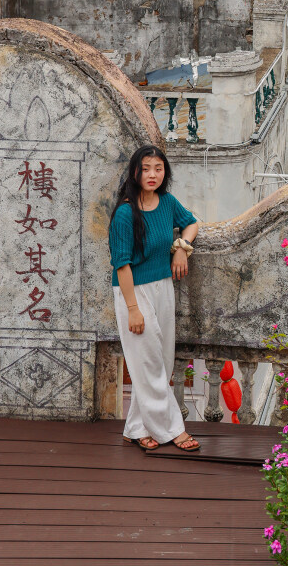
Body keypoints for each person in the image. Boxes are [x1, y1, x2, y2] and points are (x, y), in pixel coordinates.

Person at [109, 145, 200, 453]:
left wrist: (181, 247)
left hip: (163, 287)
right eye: (146, 168)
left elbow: (192, 223)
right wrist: (133, 310)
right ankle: (171, 429)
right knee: (148, 364)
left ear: (165, 172)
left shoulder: (167, 202)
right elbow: (121, 264)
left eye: (158, 169)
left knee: (159, 361)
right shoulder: (125, 213)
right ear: (135, 172)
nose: (152, 174)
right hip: (133, 291)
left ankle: (135, 428)